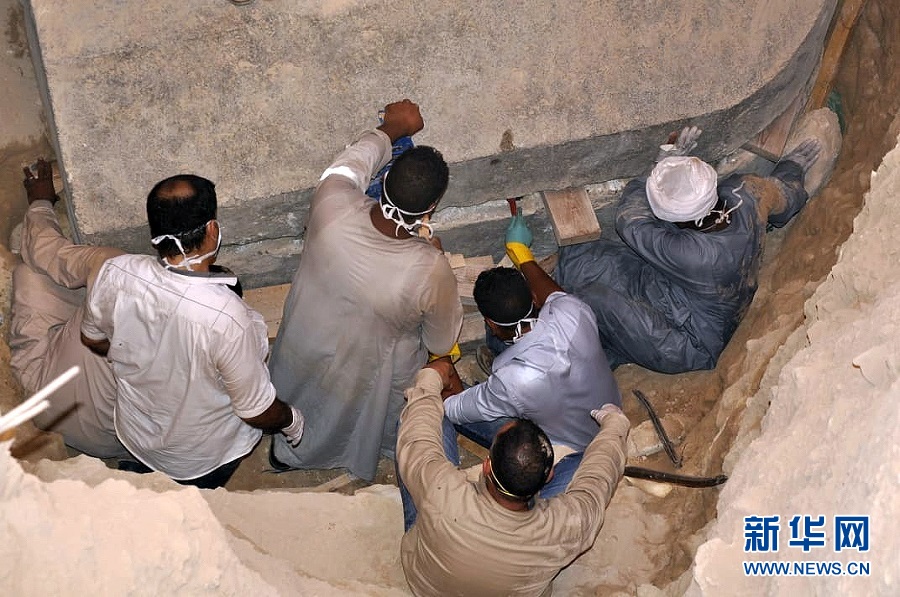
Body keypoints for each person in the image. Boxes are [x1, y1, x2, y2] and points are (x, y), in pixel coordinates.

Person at [267, 99, 463, 481]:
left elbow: (351, 162)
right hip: (368, 367)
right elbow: (440, 341)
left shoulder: (332, 200)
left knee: (301, 396)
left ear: (381, 182)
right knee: (360, 411)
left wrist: (394, 126)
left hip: (306, 341)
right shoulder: (428, 269)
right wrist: (432, 253)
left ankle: (286, 454)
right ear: (431, 208)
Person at [79, 174, 304, 489]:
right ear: (212, 230)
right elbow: (255, 410)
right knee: (191, 495)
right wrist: (292, 420)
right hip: (198, 458)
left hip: (137, 433)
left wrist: (145, 352)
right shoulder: (226, 319)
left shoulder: (115, 272)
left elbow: (92, 338)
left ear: (155, 233)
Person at [556, 127, 822, 374]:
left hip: (690, 342)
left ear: (677, 221)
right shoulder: (744, 192)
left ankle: (585, 357)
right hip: (688, 294)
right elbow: (782, 196)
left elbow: (630, 221)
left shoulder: (689, 254)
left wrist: (657, 166)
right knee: (578, 259)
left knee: (591, 299)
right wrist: (793, 167)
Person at [397, 359, 630, 596]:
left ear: (486, 466)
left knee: (418, 420)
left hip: (427, 587)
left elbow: (416, 435)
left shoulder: (441, 491)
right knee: (584, 461)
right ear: (549, 476)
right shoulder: (565, 527)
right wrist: (615, 426)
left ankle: (457, 406)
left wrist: (431, 377)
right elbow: (598, 480)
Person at [443, 228, 622, 496]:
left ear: (491, 323)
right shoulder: (573, 311)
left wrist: (443, 359)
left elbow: (454, 409)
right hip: (610, 414)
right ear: (533, 298)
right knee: (504, 384)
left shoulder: (511, 380)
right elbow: (551, 293)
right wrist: (523, 256)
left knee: (460, 410)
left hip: (572, 449)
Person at [8, 159, 127, 458]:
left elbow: (46, 250)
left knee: (31, 273)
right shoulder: (201, 334)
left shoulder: (114, 267)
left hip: (44, 400)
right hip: (115, 441)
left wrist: (41, 202)